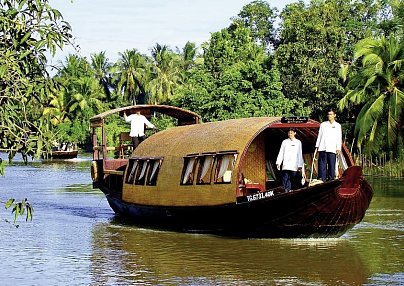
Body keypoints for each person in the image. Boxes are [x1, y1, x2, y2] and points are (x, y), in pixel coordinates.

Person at [315, 107, 342, 182]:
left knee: (331, 165)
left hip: (332, 148)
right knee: (322, 165)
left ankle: (331, 180)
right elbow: (319, 136)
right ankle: (322, 180)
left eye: (331, 114)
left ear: (334, 115)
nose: (329, 116)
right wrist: (317, 146)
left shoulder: (338, 125)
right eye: (328, 114)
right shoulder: (323, 124)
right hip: (323, 147)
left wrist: (338, 148)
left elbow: (339, 137)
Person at [276, 128, 305, 192]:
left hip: (294, 164)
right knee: (285, 178)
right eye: (289, 133)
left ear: (295, 133)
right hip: (286, 164)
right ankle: (285, 190)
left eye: (291, 133)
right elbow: (281, 152)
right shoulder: (284, 142)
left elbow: (299, 154)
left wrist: (300, 165)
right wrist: (278, 162)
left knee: (293, 178)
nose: (290, 134)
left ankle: (292, 190)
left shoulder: (298, 142)